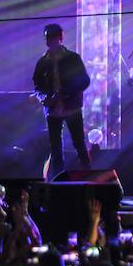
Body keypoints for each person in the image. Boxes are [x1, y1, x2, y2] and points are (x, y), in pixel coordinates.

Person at [32, 24, 91, 178]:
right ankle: (59, 182)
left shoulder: (73, 58)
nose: (49, 40)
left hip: (72, 108)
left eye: (51, 37)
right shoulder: (42, 62)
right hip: (52, 111)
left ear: (60, 37)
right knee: (56, 149)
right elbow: (37, 87)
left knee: (79, 145)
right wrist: (45, 98)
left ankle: (90, 179)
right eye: (47, 37)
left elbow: (84, 81)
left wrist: (64, 93)